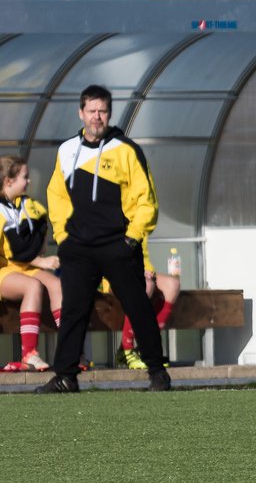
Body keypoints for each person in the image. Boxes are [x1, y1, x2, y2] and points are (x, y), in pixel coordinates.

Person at [35, 84, 171, 393]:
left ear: (109, 113)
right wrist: (63, 237)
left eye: (103, 111)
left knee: (138, 306)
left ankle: (157, 374)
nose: (97, 117)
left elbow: (145, 199)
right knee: (73, 310)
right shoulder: (67, 150)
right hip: (78, 247)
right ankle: (66, 377)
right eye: (92, 111)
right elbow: (55, 195)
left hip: (118, 244)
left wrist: (132, 239)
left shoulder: (126, 150)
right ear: (81, 112)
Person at [0, 156, 62, 372]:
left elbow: (39, 240)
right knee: (32, 286)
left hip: (23, 266)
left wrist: (37, 247)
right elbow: (15, 250)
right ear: (8, 181)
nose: (29, 182)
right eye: (24, 177)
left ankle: (70, 350)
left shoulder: (26, 204)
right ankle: (29, 354)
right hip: (3, 269)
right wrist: (40, 260)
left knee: (56, 285)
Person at [112, 238, 181, 370]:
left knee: (173, 284)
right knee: (146, 286)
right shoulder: (113, 221)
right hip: (114, 275)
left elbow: (142, 255)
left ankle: (147, 347)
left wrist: (146, 270)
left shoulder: (139, 222)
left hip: (141, 272)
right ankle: (128, 350)